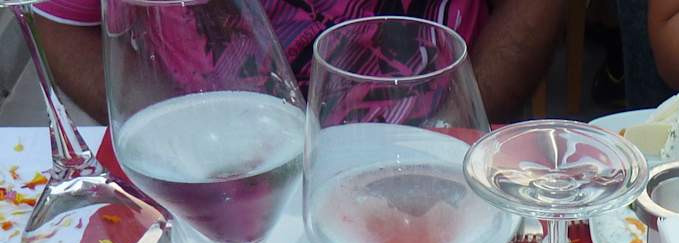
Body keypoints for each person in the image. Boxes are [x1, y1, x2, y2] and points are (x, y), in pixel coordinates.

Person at [30, 0, 564, 122]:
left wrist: (458, 128)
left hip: (434, 150)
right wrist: (168, 135)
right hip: (214, 176)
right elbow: (61, 19)